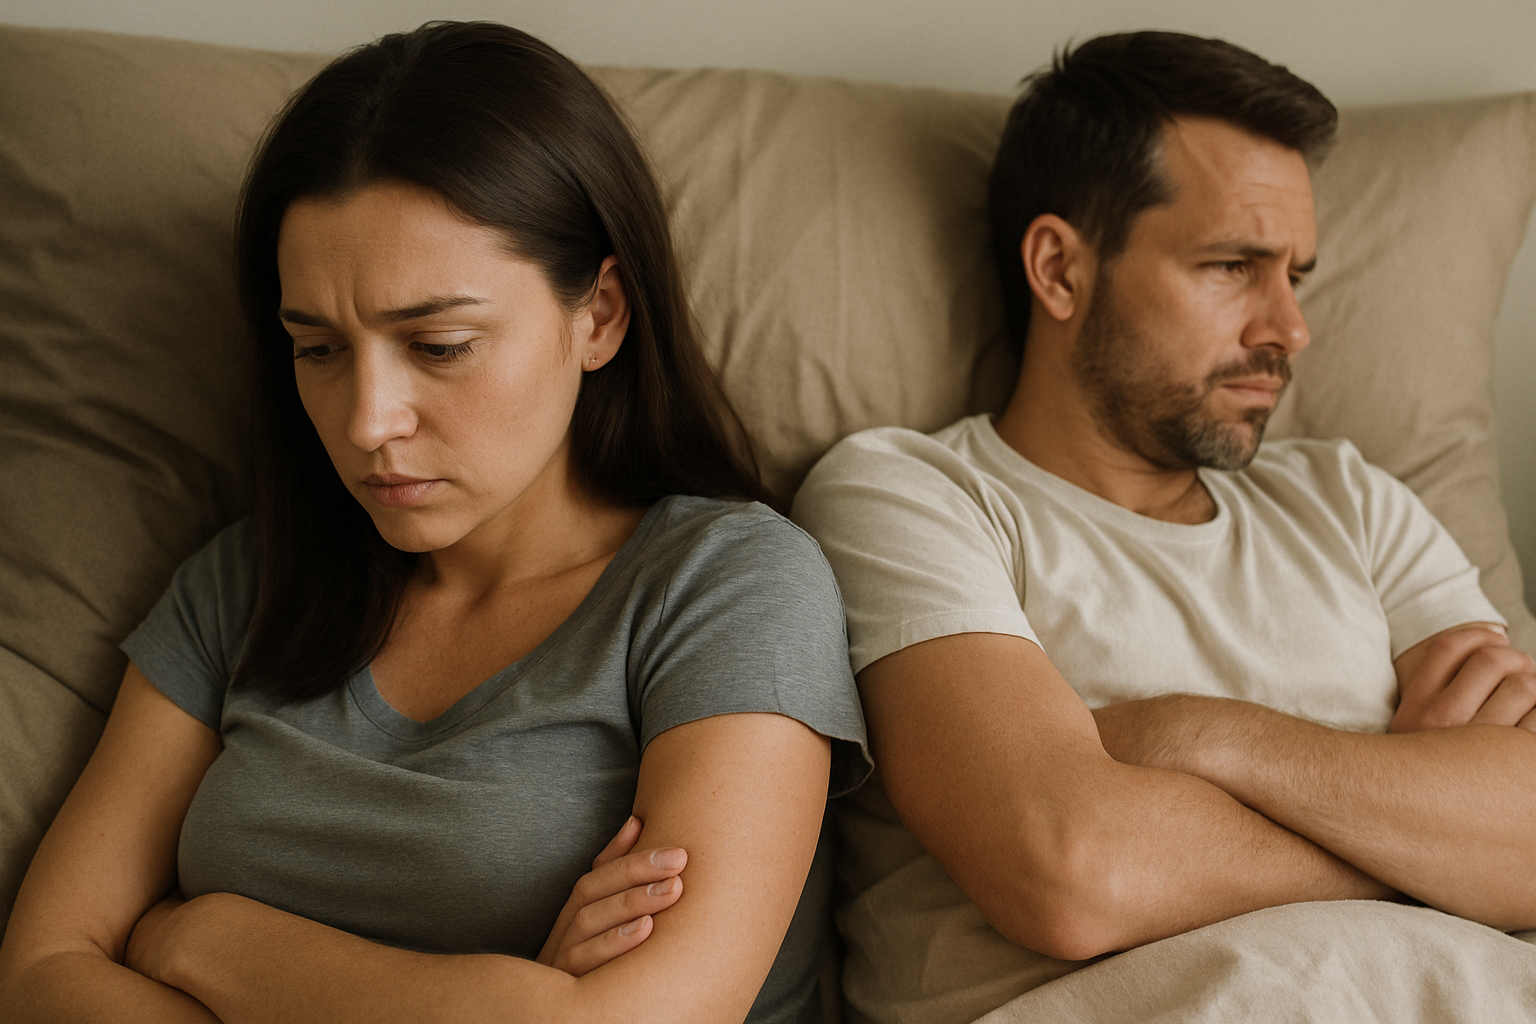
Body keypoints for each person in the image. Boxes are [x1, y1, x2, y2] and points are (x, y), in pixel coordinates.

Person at [0, 21, 868, 1024]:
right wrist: (500, 994)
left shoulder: (728, 586)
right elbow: (42, 974)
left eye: (441, 344)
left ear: (600, 315)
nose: (368, 421)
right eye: (319, 348)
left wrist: (203, 937)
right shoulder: (243, 583)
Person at [792, 30, 1536, 1024]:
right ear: (1059, 269)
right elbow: (1071, 866)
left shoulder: (1354, 502)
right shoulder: (910, 495)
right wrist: (1423, 835)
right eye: (1233, 265)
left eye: (1296, 276)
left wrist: (1201, 737)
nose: (1289, 328)